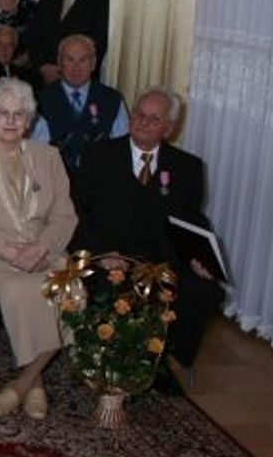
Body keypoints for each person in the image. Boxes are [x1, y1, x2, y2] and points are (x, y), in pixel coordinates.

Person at [0, 78, 77, 420]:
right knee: (23, 290)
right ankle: (33, 384)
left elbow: (65, 215)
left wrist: (41, 248)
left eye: (18, 114)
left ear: (30, 120)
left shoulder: (48, 157)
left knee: (72, 286)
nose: (10, 120)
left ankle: (22, 385)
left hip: (43, 251)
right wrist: (9, 252)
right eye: (2, 113)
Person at [71, 88, 224, 370]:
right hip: (110, 255)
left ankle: (163, 359)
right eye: (139, 114)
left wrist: (200, 257)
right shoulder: (99, 155)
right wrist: (100, 253)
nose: (142, 122)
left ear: (169, 128)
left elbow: (193, 220)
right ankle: (111, 358)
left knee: (205, 291)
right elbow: (77, 212)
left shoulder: (187, 167)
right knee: (110, 288)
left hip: (162, 259)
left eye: (154, 119)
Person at [30, 34, 127, 172]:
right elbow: (33, 151)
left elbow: (122, 149)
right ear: (58, 63)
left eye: (83, 60)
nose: (76, 67)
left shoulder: (112, 99)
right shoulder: (38, 100)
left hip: (100, 180)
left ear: (94, 64)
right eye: (69, 59)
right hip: (52, 179)